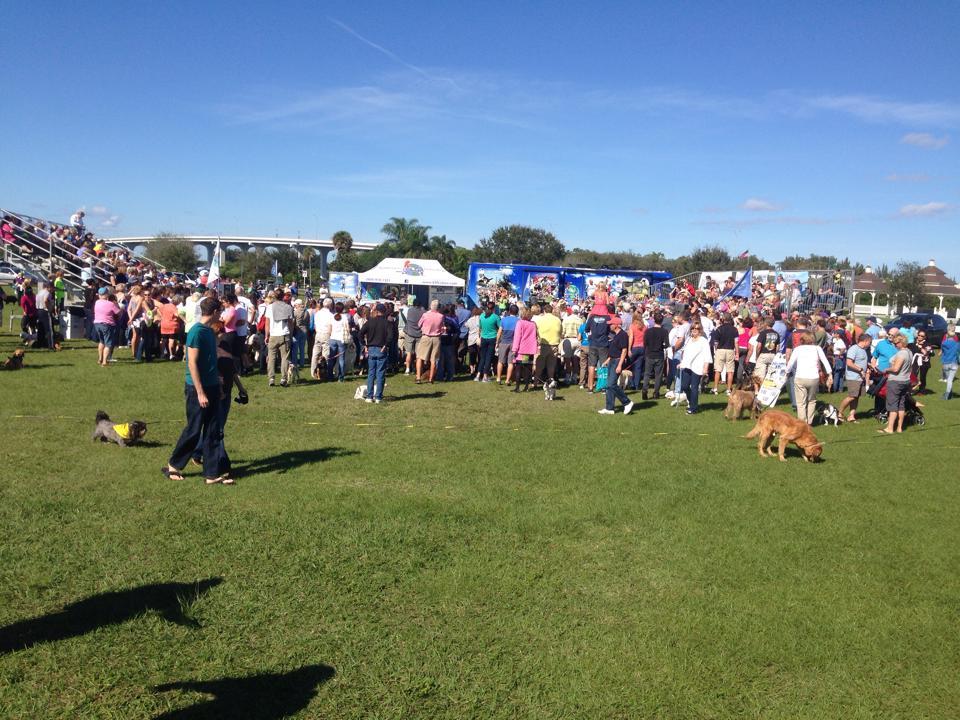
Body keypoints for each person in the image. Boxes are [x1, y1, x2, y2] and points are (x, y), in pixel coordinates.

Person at [164, 297, 228, 484]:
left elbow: (210, 361)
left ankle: (211, 474)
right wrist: (200, 392)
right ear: (214, 311)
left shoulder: (209, 332)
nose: (221, 314)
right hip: (196, 388)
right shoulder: (196, 332)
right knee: (194, 429)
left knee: (213, 430)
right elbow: (192, 363)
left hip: (212, 386)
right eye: (220, 311)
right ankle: (174, 465)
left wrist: (218, 385)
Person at [785, 332, 832, 425]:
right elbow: (825, 361)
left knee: (800, 402)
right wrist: (830, 374)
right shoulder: (817, 348)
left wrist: (786, 374)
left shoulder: (797, 349)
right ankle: (809, 422)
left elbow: (790, 363)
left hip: (800, 377)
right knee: (812, 400)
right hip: (813, 378)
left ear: (802, 340)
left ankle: (802, 422)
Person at [359, 303, 395, 403]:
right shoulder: (387, 323)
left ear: (376, 311)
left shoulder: (370, 322)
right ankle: (378, 397)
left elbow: (360, 333)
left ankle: (369, 397)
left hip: (371, 348)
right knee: (380, 374)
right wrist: (386, 345)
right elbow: (391, 336)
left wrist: (365, 345)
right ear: (384, 312)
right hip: (381, 349)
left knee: (371, 373)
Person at [598, 317, 635, 415]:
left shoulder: (623, 335)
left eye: (611, 324)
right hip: (612, 361)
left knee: (612, 384)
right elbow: (615, 350)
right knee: (608, 386)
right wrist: (607, 360)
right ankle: (609, 408)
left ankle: (627, 402)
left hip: (617, 362)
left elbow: (624, 351)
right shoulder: (616, 335)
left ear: (616, 325)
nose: (609, 325)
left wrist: (619, 365)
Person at [880, 335, 914, 434]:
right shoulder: (909, 352)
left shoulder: (901, 354)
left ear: (901, 343)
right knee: (901, 405)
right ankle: (899, 428)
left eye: (896, 343)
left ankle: (889, 428)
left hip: (895, 381)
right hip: (905, 381)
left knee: (892, 405)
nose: (894, 345)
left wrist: (887, 369)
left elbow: (895, 369)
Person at [678, 323, 712, 415]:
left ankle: (693, 408)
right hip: (687, 366)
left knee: (694, 387)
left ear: (700, 330)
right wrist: (681, 363)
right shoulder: (689, 339)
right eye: (692, 328)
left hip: (697, 367)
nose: (694, 330)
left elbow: (707, 355)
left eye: (696, 328)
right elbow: (685, 353)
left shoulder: (703, 341)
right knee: (684, 386)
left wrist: (705, 368)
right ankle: (691, 401)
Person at [838, 332, 872, 422]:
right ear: (865, 341)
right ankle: (839, 413)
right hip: (853, 377)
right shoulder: (854, 349)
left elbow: (860, 361)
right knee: (852, 396)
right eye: (870, 342)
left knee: (856, 397)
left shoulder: (863, 350)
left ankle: (851, 416)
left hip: (861, 378)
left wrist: (868, 365)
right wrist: (860, 369)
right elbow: (849, 363)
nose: (870, 344)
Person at [264, 290, 293, 386]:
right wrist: (291, 334)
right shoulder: (288, 307)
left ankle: (271, 378)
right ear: (283, 296)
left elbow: (267, 324)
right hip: (284, 334)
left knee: (271, 358)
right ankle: (283, 379)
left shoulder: (269, 307)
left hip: (273, 335)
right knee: (285, 358)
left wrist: (266, 335)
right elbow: (290, 323)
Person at [416, 299, 445, 384]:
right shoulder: (441, 316)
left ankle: (418, 378)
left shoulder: (425, 315)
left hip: (426, 337)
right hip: (436, 338)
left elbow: (419, 324)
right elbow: (442, 328)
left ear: (430, 306)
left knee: (420, 357)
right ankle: (431, 379)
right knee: (433, 359)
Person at [532, 303, 562, 386]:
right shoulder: (557, 320)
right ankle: (551, 382)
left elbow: (536, 331)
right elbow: (560, 332)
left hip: (543, 344)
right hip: (554, 345)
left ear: (544, 311)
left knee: (539, 365)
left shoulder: (540, 320)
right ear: (552, 311)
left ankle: (535, 382)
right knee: (551, 366)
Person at [642, 312, 668, 400]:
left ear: (653, 320)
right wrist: (661, 346)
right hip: (659, 355)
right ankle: (656, 392)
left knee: (647, 374)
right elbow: (667, 344)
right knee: (658, 375)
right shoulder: (664, 331)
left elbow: (645, 343)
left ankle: (645, 390)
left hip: (650, 354)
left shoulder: (648, 331)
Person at [511, 307, 538, 392]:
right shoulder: (533, 324)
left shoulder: (520, 323)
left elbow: (517, 337)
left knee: (519, 369)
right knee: (527, 368)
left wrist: (514, 349)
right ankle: (526, 386)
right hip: (529, 350)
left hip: (521, 350)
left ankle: (517, 387)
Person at [711, 312, 738, 395]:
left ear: (723, 319)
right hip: (730, 350)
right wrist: (737, 353)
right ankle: (729, 389)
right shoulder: (734, 329)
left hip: (720, 350)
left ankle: (715, 388)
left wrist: (716, 350)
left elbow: (715, 342)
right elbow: (736, 342)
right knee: (730, 371)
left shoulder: (719, 329)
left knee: (718, 370)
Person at [93, 288, 120, 366]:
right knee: (108, 344)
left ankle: (100, 359)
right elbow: (117, 312)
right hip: (107, 324)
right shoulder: (110, 304)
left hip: (97, 323)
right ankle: (105, 361)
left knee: (101, 341)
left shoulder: (97, 302)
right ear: (107, 294)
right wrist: (121, 308)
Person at [475, 303, 500, 382]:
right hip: (492, 338)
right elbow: (500, 328)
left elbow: (480, 328)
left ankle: (478, 375)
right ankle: (485, 376)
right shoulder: (496, 317)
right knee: (488, 358)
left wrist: (479, 336)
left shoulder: (482, 316)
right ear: (493, 308)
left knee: (482, 358)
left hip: (483, 338)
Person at [496, 304, 519, 385]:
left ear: (509, 311)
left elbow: (499, 332)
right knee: (511, 362)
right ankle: (507, 380)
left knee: (500, 361)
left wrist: (497, 342)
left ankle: (498, 378)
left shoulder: (504, 319)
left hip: (503, 342)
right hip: (513, 343)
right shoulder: (518, 320)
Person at [401, 298, 424, 375]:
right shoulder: (423, 312)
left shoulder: (410, 310)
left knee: (409, 353)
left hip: (410, 333)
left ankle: (407, 369)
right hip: (419, 334)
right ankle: (417, 369)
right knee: (418, 354)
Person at [941, 327, 960, 400]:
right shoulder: (957, 344)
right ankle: (948, 394)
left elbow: (943, 351)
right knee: (950, 380)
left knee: (949, 380)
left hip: (945, 362)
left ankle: (948, 394)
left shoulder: (943, 343)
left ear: (947, 335)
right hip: (954, 363)